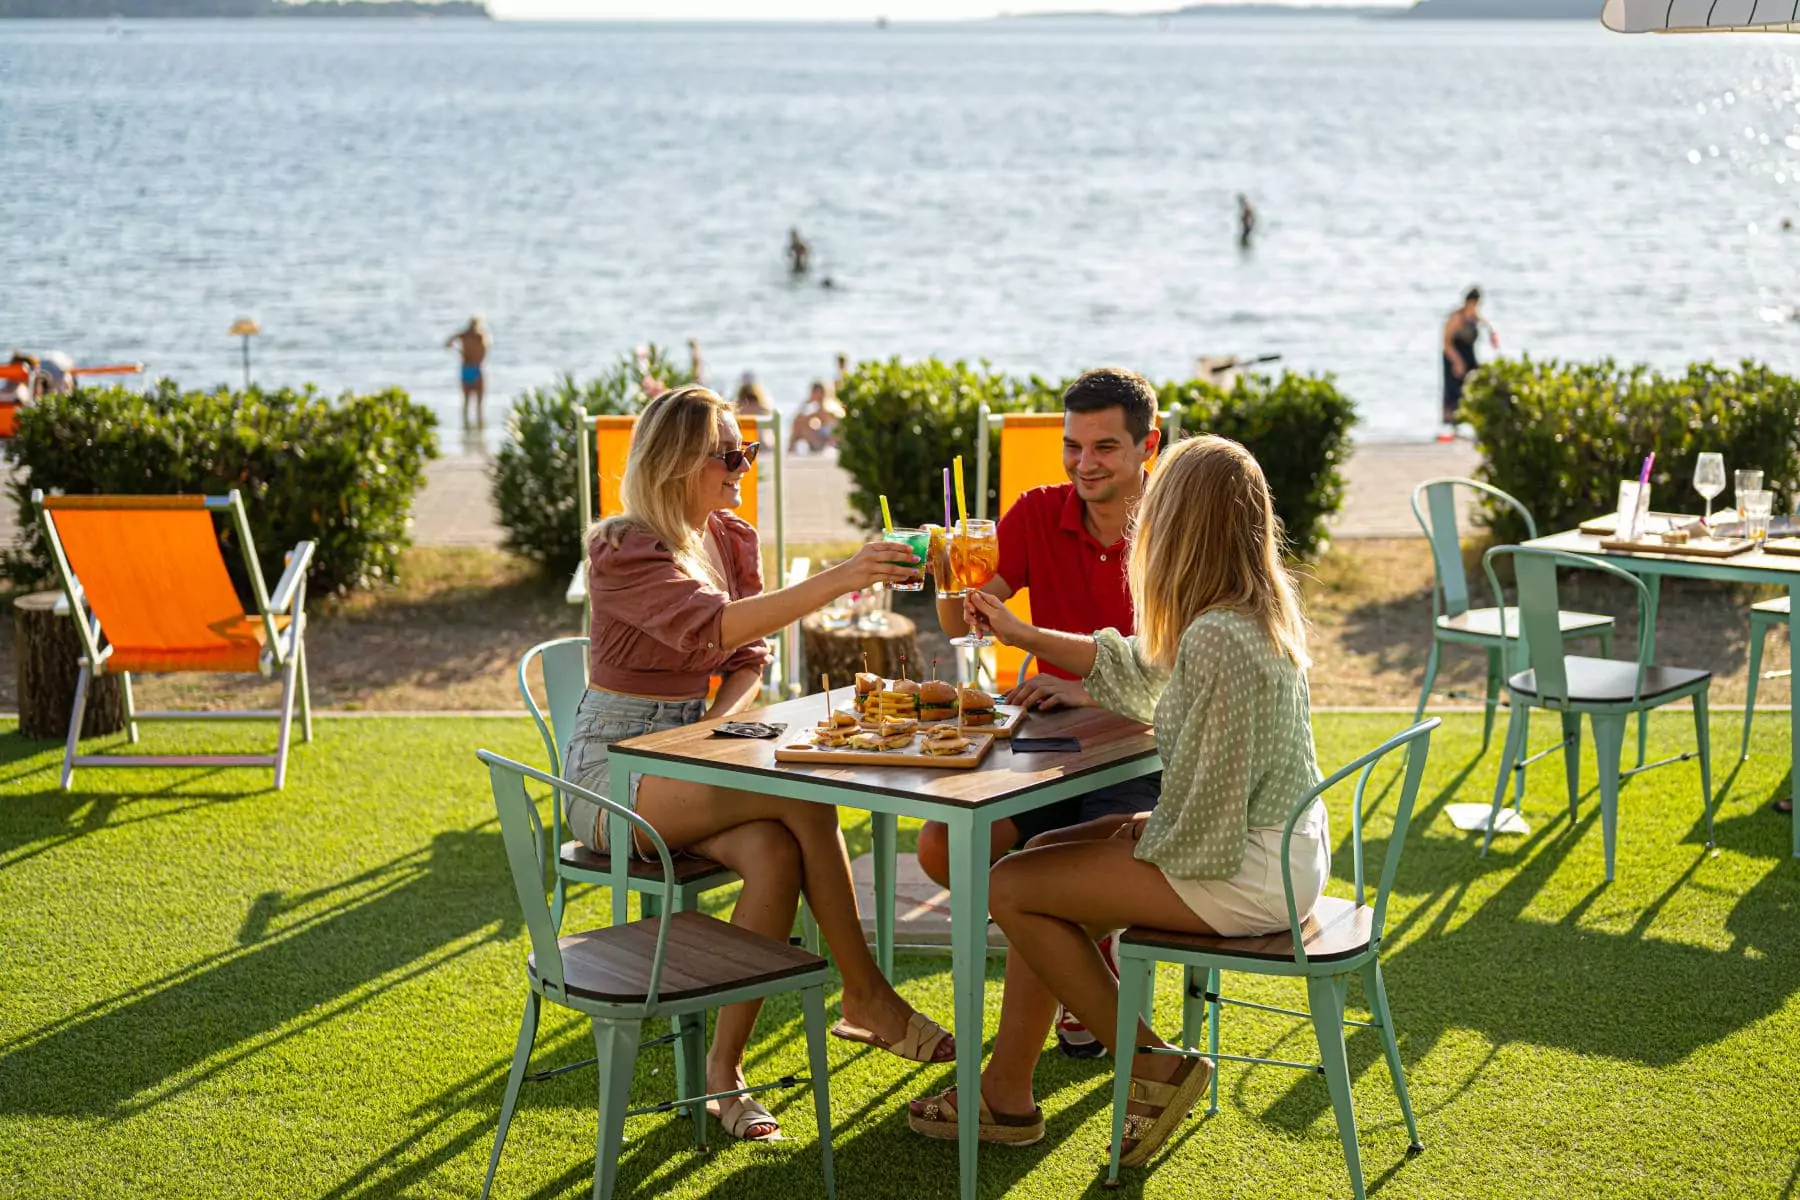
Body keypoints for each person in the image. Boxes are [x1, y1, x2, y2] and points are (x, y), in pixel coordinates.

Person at [907, 435, 1325, 1170]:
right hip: (1268, 847)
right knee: (1038, 864)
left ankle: (1153, 1063)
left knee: (1014, 888)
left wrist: (1141, 834)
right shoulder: (1236, 613)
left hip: (1247, 869)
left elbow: (1214, 800)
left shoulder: (1221, 638)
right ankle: (1005, 1091)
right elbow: (1138, 668)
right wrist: (1018, 631)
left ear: (1183, 528)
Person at [564, 385, 955, 1142]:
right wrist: (843, 576)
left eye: (748, 451)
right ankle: (866, 993)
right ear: (678, 462)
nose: (746, 466)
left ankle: (724, 1075)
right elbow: (711, 624)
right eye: (729, 454)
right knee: (802, 796)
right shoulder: (622, 547)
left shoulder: (729, 536)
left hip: (690, 753)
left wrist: (716, 725)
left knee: (777, 851)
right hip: (611, 773)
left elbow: (747, 654)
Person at [919, 366, 1163, 1058]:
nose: (1084, 464)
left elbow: (1176, 660)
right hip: (1050, 748)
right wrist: (949, 571)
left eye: (1105, 447)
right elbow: (969, 620)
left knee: (1051, 878)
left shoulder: (1173, 530)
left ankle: (1080, 978)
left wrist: (1086, 689)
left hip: (1144, 750)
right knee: (944, 846)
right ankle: (1089, 962)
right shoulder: (1035, 512)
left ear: (1148, 447)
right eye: (1073, 446)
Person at [1441, 286, 1495, 434]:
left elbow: (1485, 323)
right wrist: (1457, 362)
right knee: (1454, 391)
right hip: (1454, 355)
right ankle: (1453, 427)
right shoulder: (1457, 317)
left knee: (1476, 385)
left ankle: (1475, 421)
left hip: (1469, 355)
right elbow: (1446, 342)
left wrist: (1492, 333)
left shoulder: (1474, 315)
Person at [445, 317, 490, 424]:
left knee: (466, 402)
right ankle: (479, 428)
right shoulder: (481, 336)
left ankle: (466, 428)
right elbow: (484, 352)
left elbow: (447, 344)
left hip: (466, 368)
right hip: (476, 369)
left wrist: (461, 352)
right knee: (479, 405)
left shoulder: (464, 335)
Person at [788, 380, 844, 454]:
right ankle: (791, 449)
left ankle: (790, 450)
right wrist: (806, 404)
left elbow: (823, 415)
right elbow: (798, 419)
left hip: (832, 441)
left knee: (803, 425)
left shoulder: (830, 405)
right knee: (803, 426)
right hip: (822, 439)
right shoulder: (814, 407)